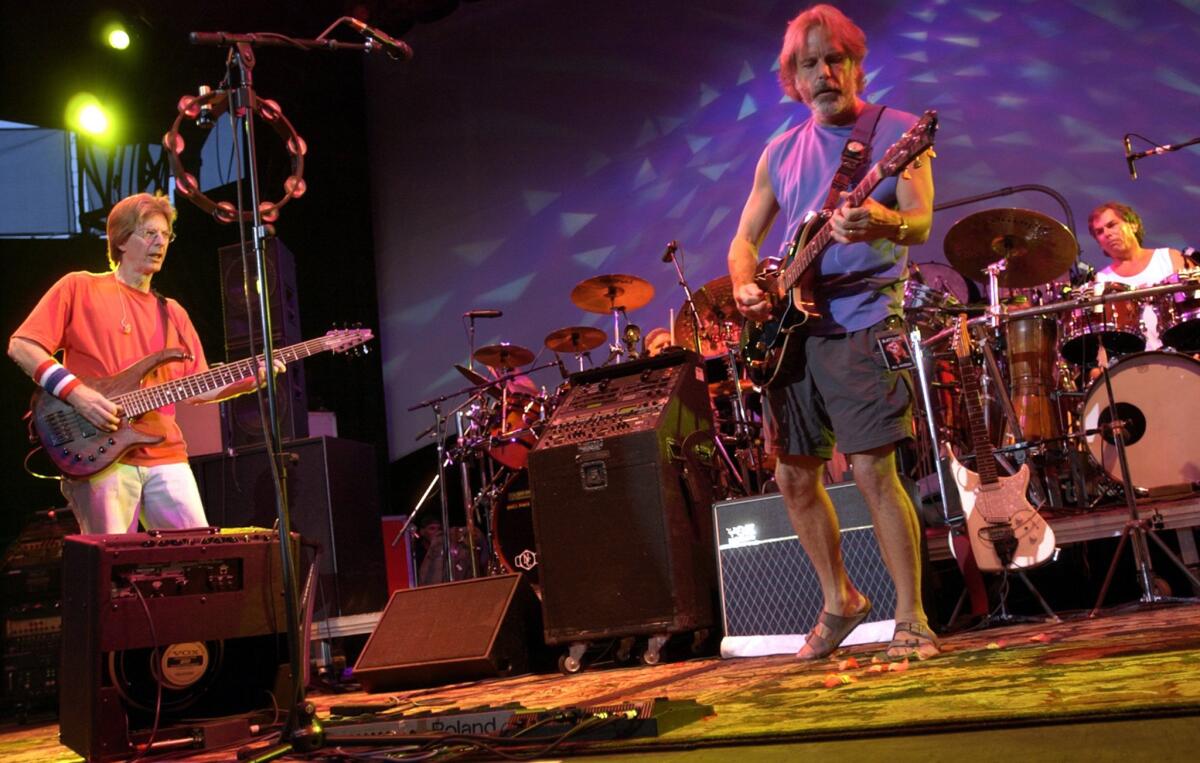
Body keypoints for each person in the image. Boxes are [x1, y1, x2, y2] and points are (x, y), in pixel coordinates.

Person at [727, 5, 937, 660]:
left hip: (863, 314)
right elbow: (743, 239)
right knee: (793, 475)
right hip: (793, 331)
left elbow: (920, 222)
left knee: (874, 467)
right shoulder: (779, 152)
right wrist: (744, 286)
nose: (825, 72)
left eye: (836, 58)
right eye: (810, 62)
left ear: (855, 64)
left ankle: (913, 617)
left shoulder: (896, 132)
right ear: (793, 76)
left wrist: (877, 218)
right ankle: (840, 598)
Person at [8, 192, 279, 535]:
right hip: (100, 455)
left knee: (197, 552)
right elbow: (22, 345)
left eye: (166, 235)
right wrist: (79, 395)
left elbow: (196, 387)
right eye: (149, 233)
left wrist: (250, 379)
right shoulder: (79, 287)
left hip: (166, 453)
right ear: (121, 240)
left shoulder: (173, 312)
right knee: (112, 568)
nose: (160, 242)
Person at [1088, 201, 1188, 351]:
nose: (1107, 233)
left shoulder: (1169, 257)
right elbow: (1102, 340)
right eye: (1100, 232)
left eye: (1111, 225)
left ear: (1133, 225)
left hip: (1183, 354)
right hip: (1132, 364)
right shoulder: (1101, 280)